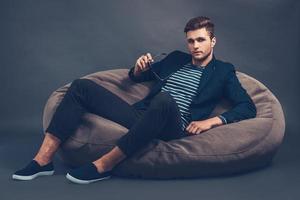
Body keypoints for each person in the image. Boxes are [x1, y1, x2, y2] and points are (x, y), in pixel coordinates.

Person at [12, 16, 256, 184]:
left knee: (164, 100)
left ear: (213, 41)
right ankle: (43, 161)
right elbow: (139, 77)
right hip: (142, 114)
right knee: (80, 87)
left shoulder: (223, 71)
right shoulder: (175, 59)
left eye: (201, 40)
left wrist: (212, 121)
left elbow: (247, 107)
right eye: (191, 40)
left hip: (175, 124)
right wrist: (138, 69)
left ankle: (104, 166)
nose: (195, 46)